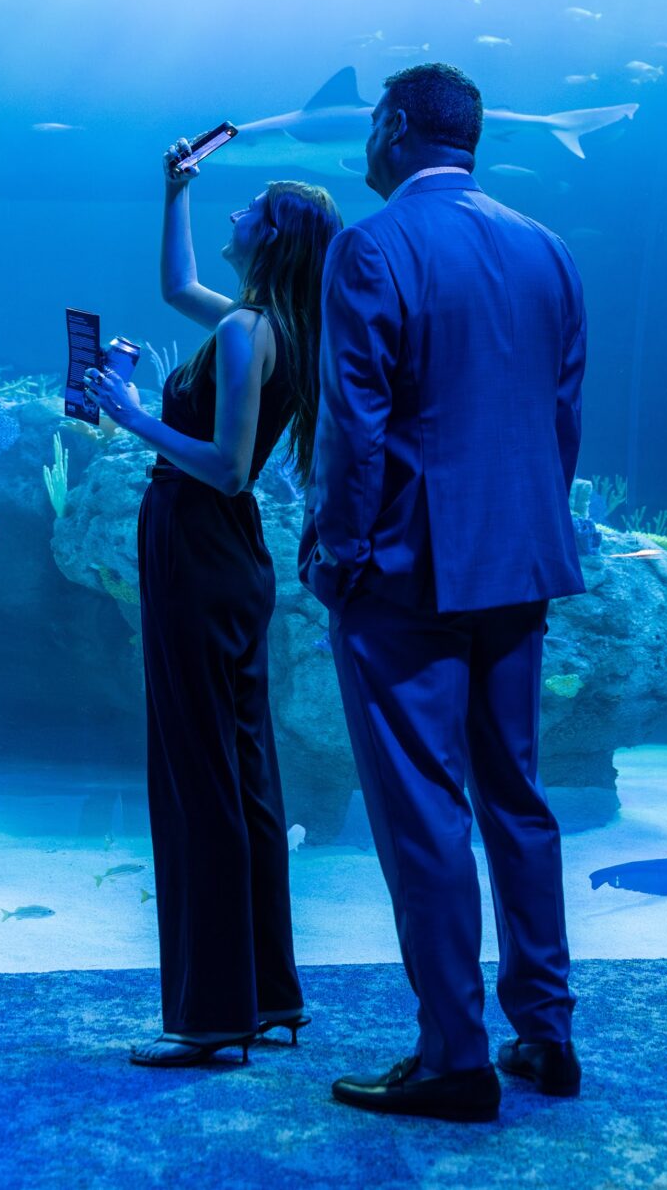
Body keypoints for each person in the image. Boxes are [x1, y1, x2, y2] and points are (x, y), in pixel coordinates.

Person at [301, 62, 588, 1122]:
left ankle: (454, 1055)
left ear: (391, 127)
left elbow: (356, 423)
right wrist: (524, 534)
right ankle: (547, 1034)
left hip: (409, 572)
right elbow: (560, 422)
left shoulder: (371, 246)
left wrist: (340, 549)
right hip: (517, 566)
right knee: (517, 799)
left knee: (424, 810)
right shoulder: (546, 248)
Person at [83, 144, 343, 1069]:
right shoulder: (268, 325)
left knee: (197, 773)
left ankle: (210, 1015)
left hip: (200, 544)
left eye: (250, 207)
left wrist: (129, 412)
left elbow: (231, 469)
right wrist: (174, 191)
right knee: (243, 773)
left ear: (271, 236)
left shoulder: (244, 333)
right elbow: (174, 281)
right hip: (225, 558)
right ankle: (265, 995)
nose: (237, 213)